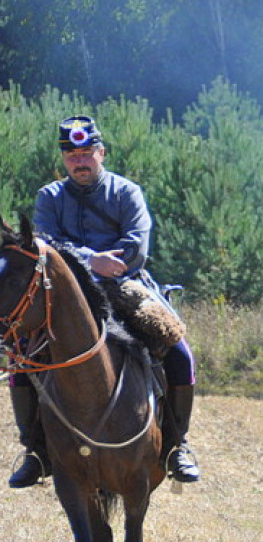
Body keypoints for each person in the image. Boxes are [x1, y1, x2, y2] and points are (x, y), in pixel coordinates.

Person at [12, 115, 200, 487]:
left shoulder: (127, 192)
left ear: (102, 152)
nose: (79, 162)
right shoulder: (50, 196)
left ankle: (176, 446)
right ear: (63, 159)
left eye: (86, 153)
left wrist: (93, 263)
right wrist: (91, 260)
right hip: (65, 295)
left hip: (124, 286)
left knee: (180, 353)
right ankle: (36, 451)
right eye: (72, 155)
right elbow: (44, 244)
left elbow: (136, 247)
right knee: (21, 358)